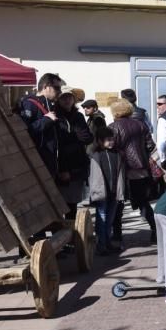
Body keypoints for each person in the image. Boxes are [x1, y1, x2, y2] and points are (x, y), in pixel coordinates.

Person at [108, 98, 157, 245]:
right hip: (140, 169)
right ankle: (155, 230)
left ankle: (117, 235)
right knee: (143, 203)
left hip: (122, 169)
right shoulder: (140, 125)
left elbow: (111, 148)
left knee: (118, 203)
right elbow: (150, 145)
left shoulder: (112, 127)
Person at [54, 90, 93, 218]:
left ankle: (72, 234)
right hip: (59, 165)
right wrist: (76, 136)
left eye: (69, 97)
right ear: (58, 100)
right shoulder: (55, 117)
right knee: (58, 206)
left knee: (72, 205)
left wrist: (73, 136)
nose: (67, 100)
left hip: (77, 165)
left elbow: (87, 138)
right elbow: (59, 141)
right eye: (63, 98)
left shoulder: (78, 116)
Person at [19, 73, 65, 180]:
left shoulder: (51, 105)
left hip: (51, 162)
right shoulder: (29, 104)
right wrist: (46, 120)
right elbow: (25, 132)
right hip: (38, 162)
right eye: (57, 88)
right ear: (45, 87)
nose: (60, 91)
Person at [88, 127, 124, 256]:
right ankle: (101, 245)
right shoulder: (96, 155)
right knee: (102, 219)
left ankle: (107, 242)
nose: (111, 142)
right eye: (108, 140)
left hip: (114, 192)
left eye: (112, 139)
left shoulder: (117, 154)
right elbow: (93, 177)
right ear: (100, 141)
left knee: (109, 220)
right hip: (102, 193)